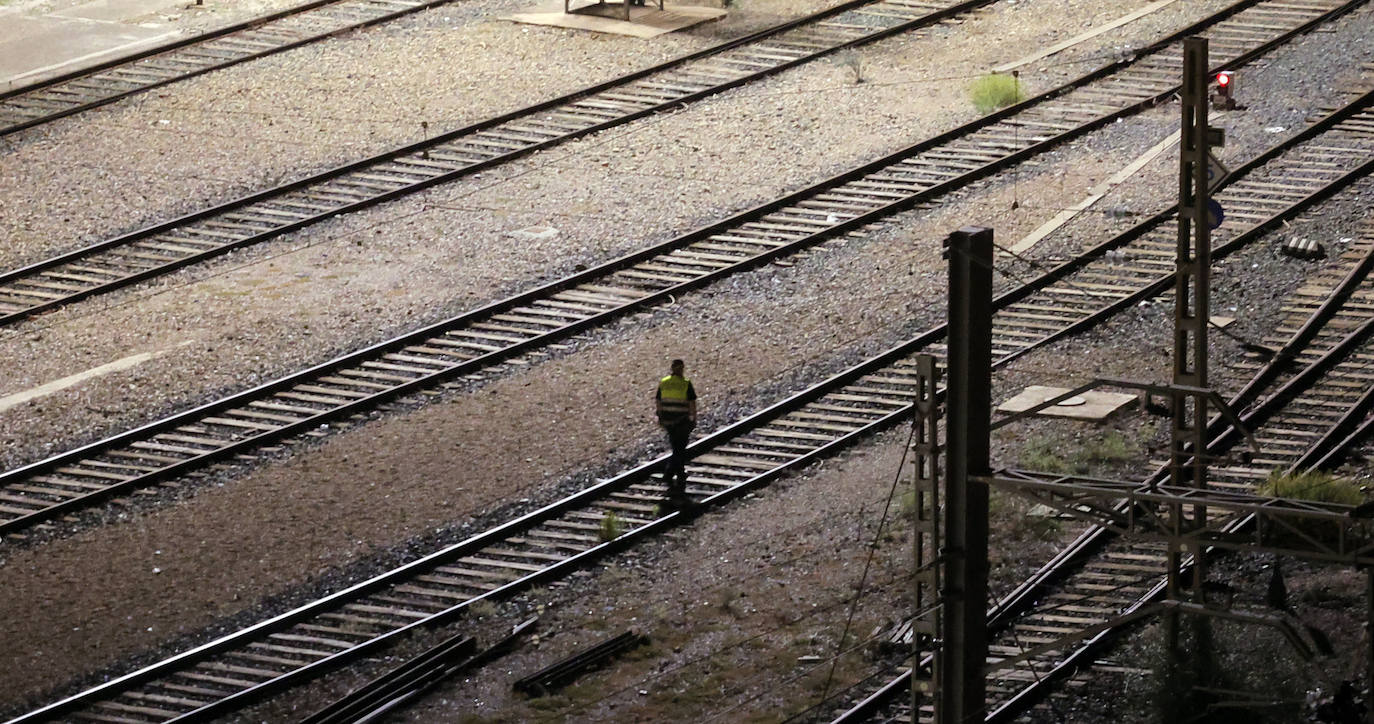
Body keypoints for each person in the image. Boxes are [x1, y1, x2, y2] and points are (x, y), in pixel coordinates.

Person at [655, 358, 697, 508]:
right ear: (682, 369)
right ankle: (669, 474)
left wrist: (660, 416)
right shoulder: (686, 383)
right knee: (680, 449)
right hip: (681, 420)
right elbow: (692, 403)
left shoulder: (664, 382)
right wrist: (693, 419)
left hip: (668, 421)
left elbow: (658, 401)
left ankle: (679, 473)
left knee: (675, 446)